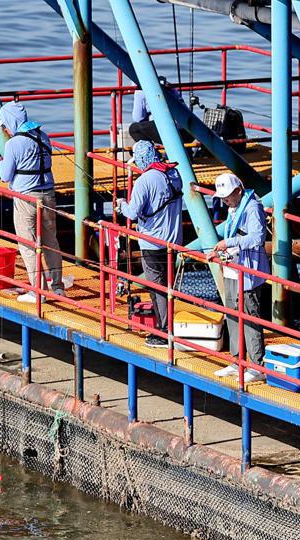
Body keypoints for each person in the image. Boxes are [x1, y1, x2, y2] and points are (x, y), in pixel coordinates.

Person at [116, 141, 184, 348]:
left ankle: (164, 332)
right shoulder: (174, 173)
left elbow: (132, 213)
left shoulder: (144, 180)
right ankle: (166, 325)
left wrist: (121, 205)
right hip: (174, 240)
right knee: (168, 285)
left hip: (152, 242)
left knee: (157, 287)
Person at [0, 102, 64, 303]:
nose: (5, 129)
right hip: (48, 195)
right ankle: (58, 287)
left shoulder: (13, 144)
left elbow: (5, 175)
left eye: (5, 125)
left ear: (11, 122)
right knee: (51, 242)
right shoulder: (43, 136)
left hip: (26, 199)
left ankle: (38, 291)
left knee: (28, 245)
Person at [209, 172, 268, 383]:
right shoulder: (233, 208)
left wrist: (230, 242)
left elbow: (258, 237)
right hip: (233, 268)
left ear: (238, 191)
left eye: (227, 196)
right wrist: (221, 250)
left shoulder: (252, 208)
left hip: (248, 272)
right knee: (232, 314)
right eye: (222, 197)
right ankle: (237, 361)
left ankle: (258, 366)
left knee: (250, 316)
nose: (225, 200)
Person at [128, 77, 182, 145]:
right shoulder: (169, 86)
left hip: (166, 131)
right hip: (183, 129)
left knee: (134, 129)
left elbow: (138, 118)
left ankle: (149, 149)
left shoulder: (140, 90)